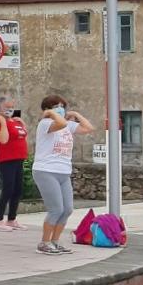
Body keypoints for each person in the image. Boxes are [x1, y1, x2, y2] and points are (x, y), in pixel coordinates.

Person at [32, 95, 95, 255]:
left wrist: (75, 113)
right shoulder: (45, 124)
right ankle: (44, 243)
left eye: (62, 106)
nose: (60, 109)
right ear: (48, 109)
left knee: (67, 209)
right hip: (46, 170)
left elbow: (88, 128)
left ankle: (55, 241)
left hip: (63, 171)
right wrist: (50, 114)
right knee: (56, 209)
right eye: (55, 106)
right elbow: (60, 123)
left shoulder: (67, 125)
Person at [0, 96, 29, 232]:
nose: (9, 109)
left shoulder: (15, 121)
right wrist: (3, 123)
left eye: (11, 106)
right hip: (6, 160)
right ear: (0, 108)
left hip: (19, 159)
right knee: (8, 189)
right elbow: (4, 139)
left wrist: (22, 123)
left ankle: (12, 219)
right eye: (6, 107)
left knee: (17, 190)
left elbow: (23, 135)